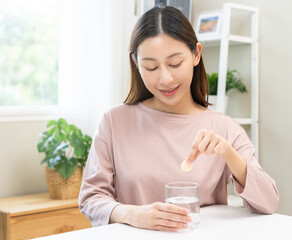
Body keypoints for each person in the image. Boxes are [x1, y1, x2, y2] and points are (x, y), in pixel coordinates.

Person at [78, 5, 279, 232]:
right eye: (151, 67)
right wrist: (133, 214)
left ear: (196, 54)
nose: (165, 78)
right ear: (136, 63)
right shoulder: (114, 122)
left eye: (175, 64)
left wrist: (229, 153)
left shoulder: (224, 128)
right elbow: (91, 198)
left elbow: (268, 202)